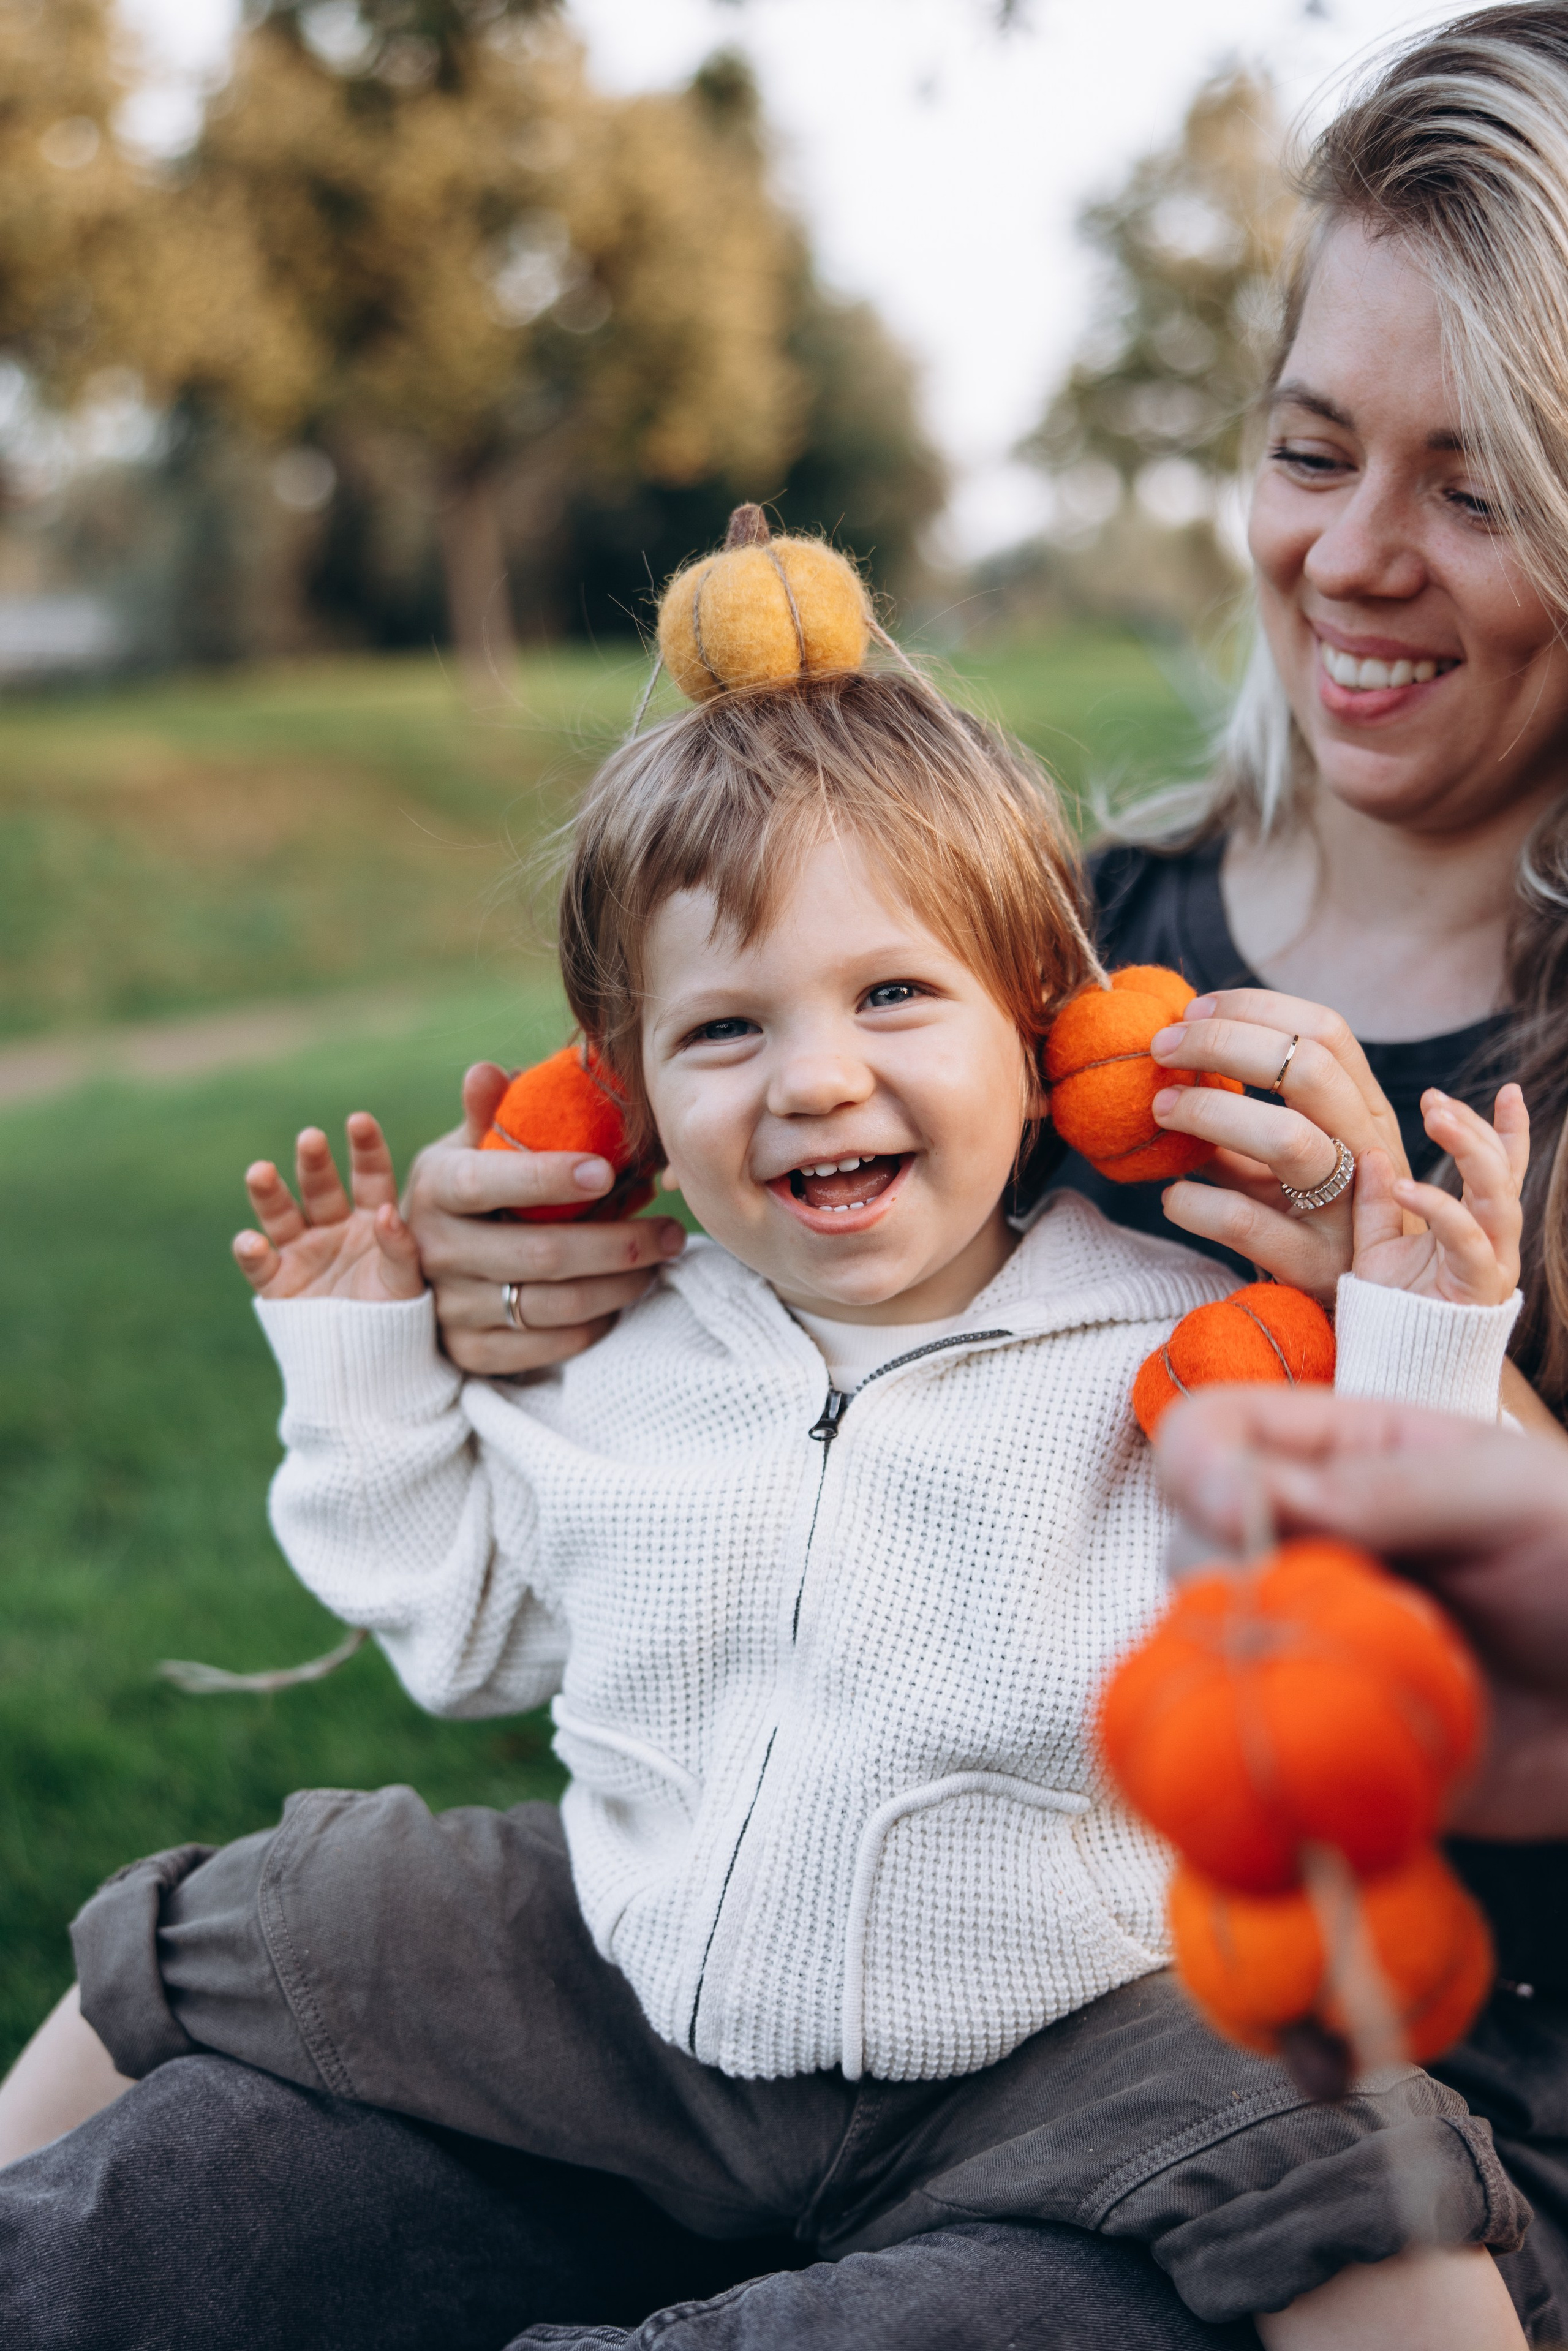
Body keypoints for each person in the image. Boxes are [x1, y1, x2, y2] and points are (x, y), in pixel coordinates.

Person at [0, 640, 1534, 2351]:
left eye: (892, 998)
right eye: (725, 1028)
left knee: (1361, 2186)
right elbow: (459, 1639)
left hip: (1068, 2025)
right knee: (245, 1914)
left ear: (1044, 1038)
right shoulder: (617, 1343)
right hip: (635, 2000)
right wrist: (365, 1372)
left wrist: (1416, 1332)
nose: (812, 1078)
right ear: (627, 1089)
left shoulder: (1171, 1339)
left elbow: (1363, 1621)